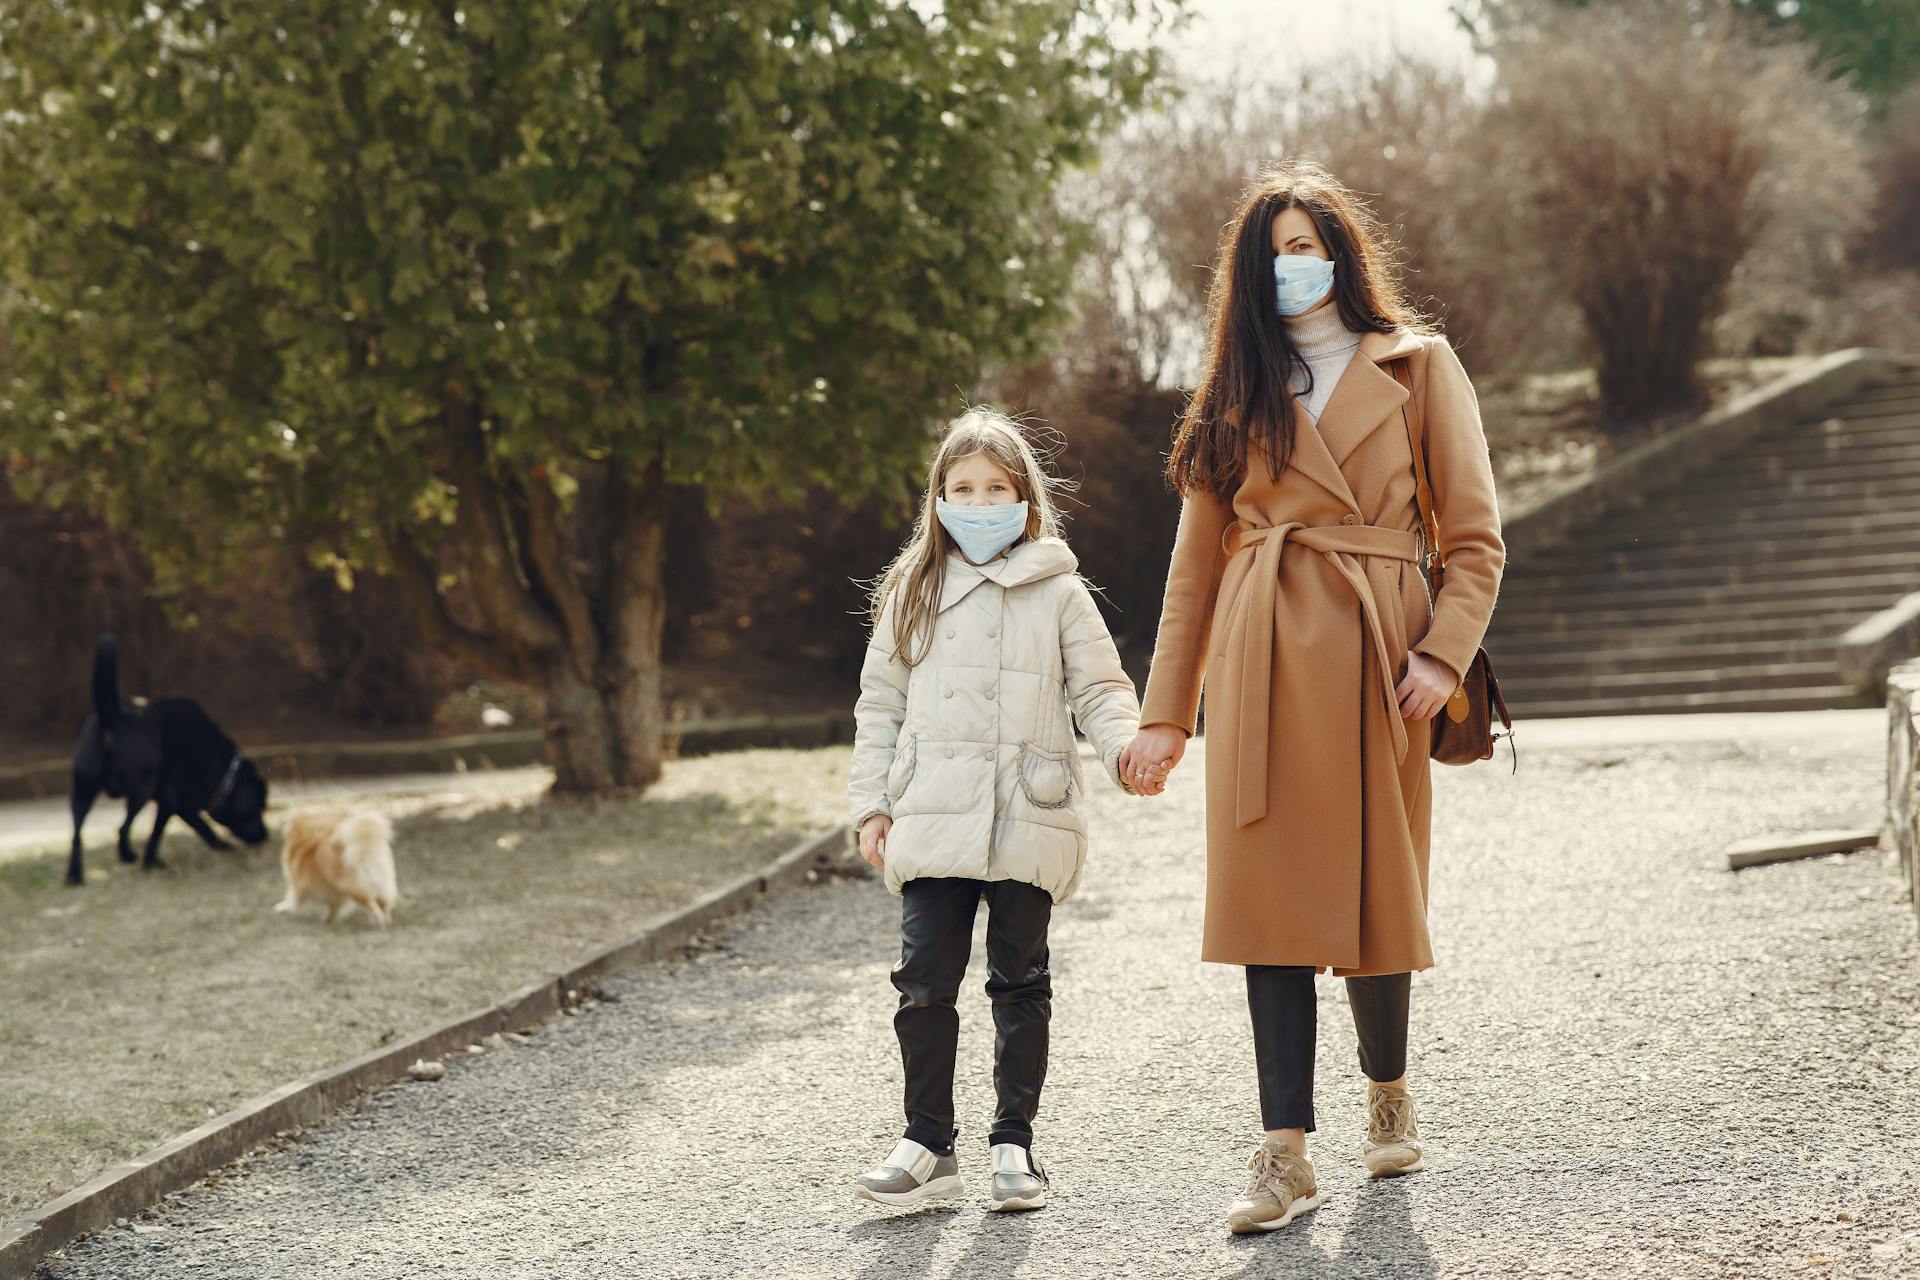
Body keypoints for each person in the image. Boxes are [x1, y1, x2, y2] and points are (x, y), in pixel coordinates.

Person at [1118, 160, 1505, 1235]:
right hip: (1260, 655)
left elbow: (1474, 538)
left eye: (1305, 244)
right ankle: (1283, 1150)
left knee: (1382, 879)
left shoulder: (1420, 367)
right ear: (1247, 275)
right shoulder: (1232, 393)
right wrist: (1164, 713)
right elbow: (1193, 569)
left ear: (1342, 251)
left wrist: (1443, 653)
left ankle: (1388, 1086)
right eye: (1271, 251)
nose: (1290, 266)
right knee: (1267, 897)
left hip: (1382, 656)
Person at [847, 407, 1160, 1213]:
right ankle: (927, 1144)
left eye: (997, 489)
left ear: (1025, 500)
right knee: (922, 981)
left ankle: (1013, 1143)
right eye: (963, 489)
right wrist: (872, 804)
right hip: (931, 814)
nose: (980, 503)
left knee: (1019, 982)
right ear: (938, 500)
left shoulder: (1058, 591)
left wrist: (1126, 751)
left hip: (1031, 808)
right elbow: (879, 705)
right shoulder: (912, 591)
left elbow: (1098, 688)